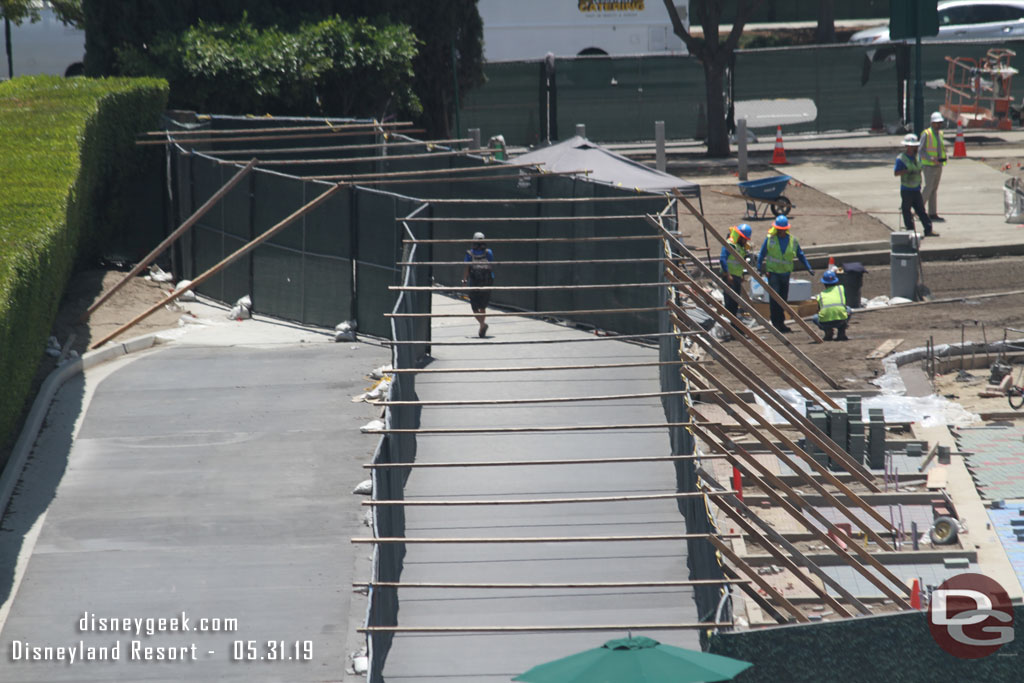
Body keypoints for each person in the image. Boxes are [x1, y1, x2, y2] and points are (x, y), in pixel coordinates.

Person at [757, 215, 815, 334]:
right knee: (775, 298)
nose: (780, 231)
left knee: (783, 299)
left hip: (785, 274)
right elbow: (762, 254)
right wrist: (759, 268)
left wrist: (808, 266)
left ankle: (781, 322)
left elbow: (800, 254)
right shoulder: (770, 239)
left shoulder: (792, 241)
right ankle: (776, 323)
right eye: (779, 229)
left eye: (782, 229)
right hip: (773, 274)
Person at [894, 133, 938, 238]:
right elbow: (896, 173)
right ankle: (910, 231)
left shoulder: (917, 158)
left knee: (921, 211)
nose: (914, 148)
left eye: (915, 146)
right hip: (906, 189)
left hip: (916, 189)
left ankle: (928, 230)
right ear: (907, 146)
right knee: (906, 211)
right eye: (912, 146)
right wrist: (907, 171)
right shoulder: (901, 158)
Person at [718, 223, 753, 332]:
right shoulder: (730, 245)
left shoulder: (739, 247)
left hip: (736, 277)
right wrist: (728, 274)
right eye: (744, 239)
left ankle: (733, 327)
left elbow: (739, 263)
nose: (745, 242)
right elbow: (723, 259)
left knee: (734, 303)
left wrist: (741, 275)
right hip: (730, 277)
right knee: (730, 303)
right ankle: (730, 328)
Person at [462, 231, 495, 338]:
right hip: (487, 282)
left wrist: (464, 280)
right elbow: (491, 266)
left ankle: (482, 324)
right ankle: (482, 326)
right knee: (483, 306)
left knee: (474, 307)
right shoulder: (488, 252)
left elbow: (467, 267)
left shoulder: (469, 253)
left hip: (474, 282)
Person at [920, 111, 948, 221]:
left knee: (934, 189)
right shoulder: (926, 134)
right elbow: (921, 150)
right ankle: (920, 210)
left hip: (938, 165)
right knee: (928, 188)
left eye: (940, 122)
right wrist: (931, 158)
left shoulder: (940, 134)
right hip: (929, 166)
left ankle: (932, 213)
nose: (938, 124)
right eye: (936, 123)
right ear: (932, 123)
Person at [814, 270, 851, 341]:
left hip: (825, 323)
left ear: (824, 283)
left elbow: (819, 310)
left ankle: (828, 331)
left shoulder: (820, 295)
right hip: (840, 321)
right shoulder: (841, 289)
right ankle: (841, 331)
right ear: (836, 282)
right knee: (848, 309)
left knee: (815, 317)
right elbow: (845, 303)